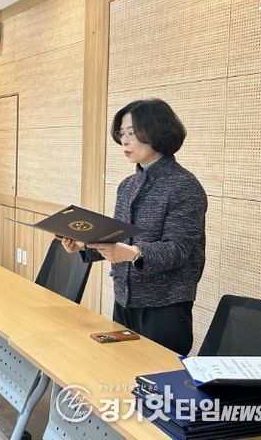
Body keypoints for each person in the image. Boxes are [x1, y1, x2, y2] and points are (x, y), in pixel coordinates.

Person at [61, 99, 206, 356]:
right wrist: (84, 246)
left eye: (132, 133)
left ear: (157, 132)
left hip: (165, 306)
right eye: (122, 133)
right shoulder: (127, 185)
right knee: (121, 369)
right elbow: (117, 240)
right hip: (124, 300)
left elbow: (178, 249)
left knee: (156, 377)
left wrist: (133, 253)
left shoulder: (184, 186)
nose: (124, 141)